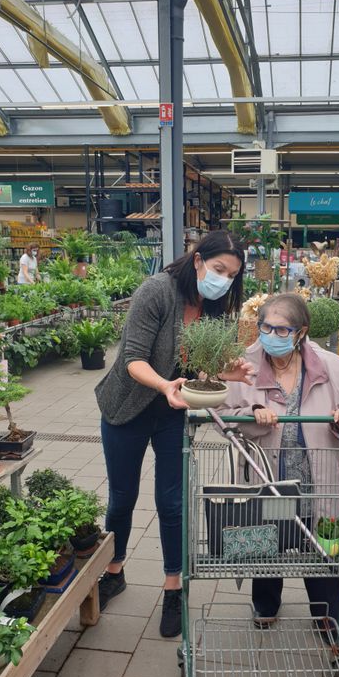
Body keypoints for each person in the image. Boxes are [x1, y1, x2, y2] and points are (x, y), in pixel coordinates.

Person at [95, 231, 253, 637]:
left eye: (232, 275)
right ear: (198, 260)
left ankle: (172, 587)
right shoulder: (157, 291)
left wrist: (224, 372)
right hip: (126, 405)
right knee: (121, 498)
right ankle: (115, 570)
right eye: (219, 269)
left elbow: (200, 365)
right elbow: (132, 359)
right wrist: (165, 386)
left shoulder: (216, 307)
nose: (224, 280)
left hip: (172, 412)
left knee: (172, 501)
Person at [220, 293, 339, 637]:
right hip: (267, 477)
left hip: (322, 482)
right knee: (266, 544)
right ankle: (266, 604)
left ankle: (326, 615)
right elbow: (223, 416)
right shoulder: (244, 365)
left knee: (324, 550)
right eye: (265, 327)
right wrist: (253, 417)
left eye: (281, 330)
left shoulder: (331, 367)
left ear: (302, 331)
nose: (270, 335)